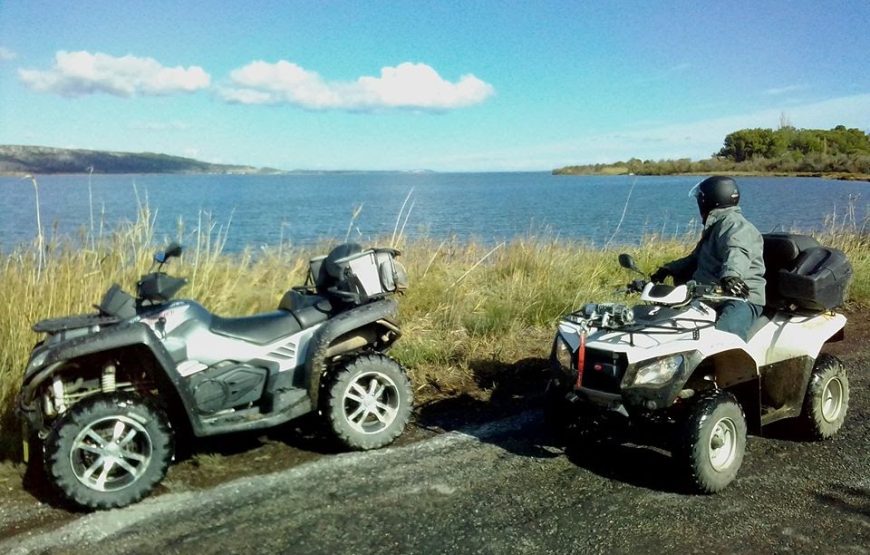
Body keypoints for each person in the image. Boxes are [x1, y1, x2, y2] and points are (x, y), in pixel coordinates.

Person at [651, 176, 766, 341]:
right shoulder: (716, 225)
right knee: (672, 324)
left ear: (710, 200)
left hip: (741, 297)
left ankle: (729, 366)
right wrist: (668, 269)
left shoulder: (736, 226)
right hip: (711, 294)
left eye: (700, 200)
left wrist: (731, 275)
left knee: (724, 335)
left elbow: (737, 251)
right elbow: (696, 258)